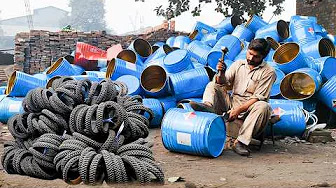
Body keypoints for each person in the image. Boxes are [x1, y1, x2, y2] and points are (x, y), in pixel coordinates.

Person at [190, 38, 276, 156]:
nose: (251, 58)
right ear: (247, 50)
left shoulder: (269, 72)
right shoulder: (238, 64)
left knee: (263, 106)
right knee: (213, 84)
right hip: (232, 103)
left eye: (256, 57)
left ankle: (240, 142)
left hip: (250, 110)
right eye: (250, 54)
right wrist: (221, 72)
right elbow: (223, 83)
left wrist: (238, 110)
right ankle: (208, 106)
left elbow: (257, 97)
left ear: (263, 57)